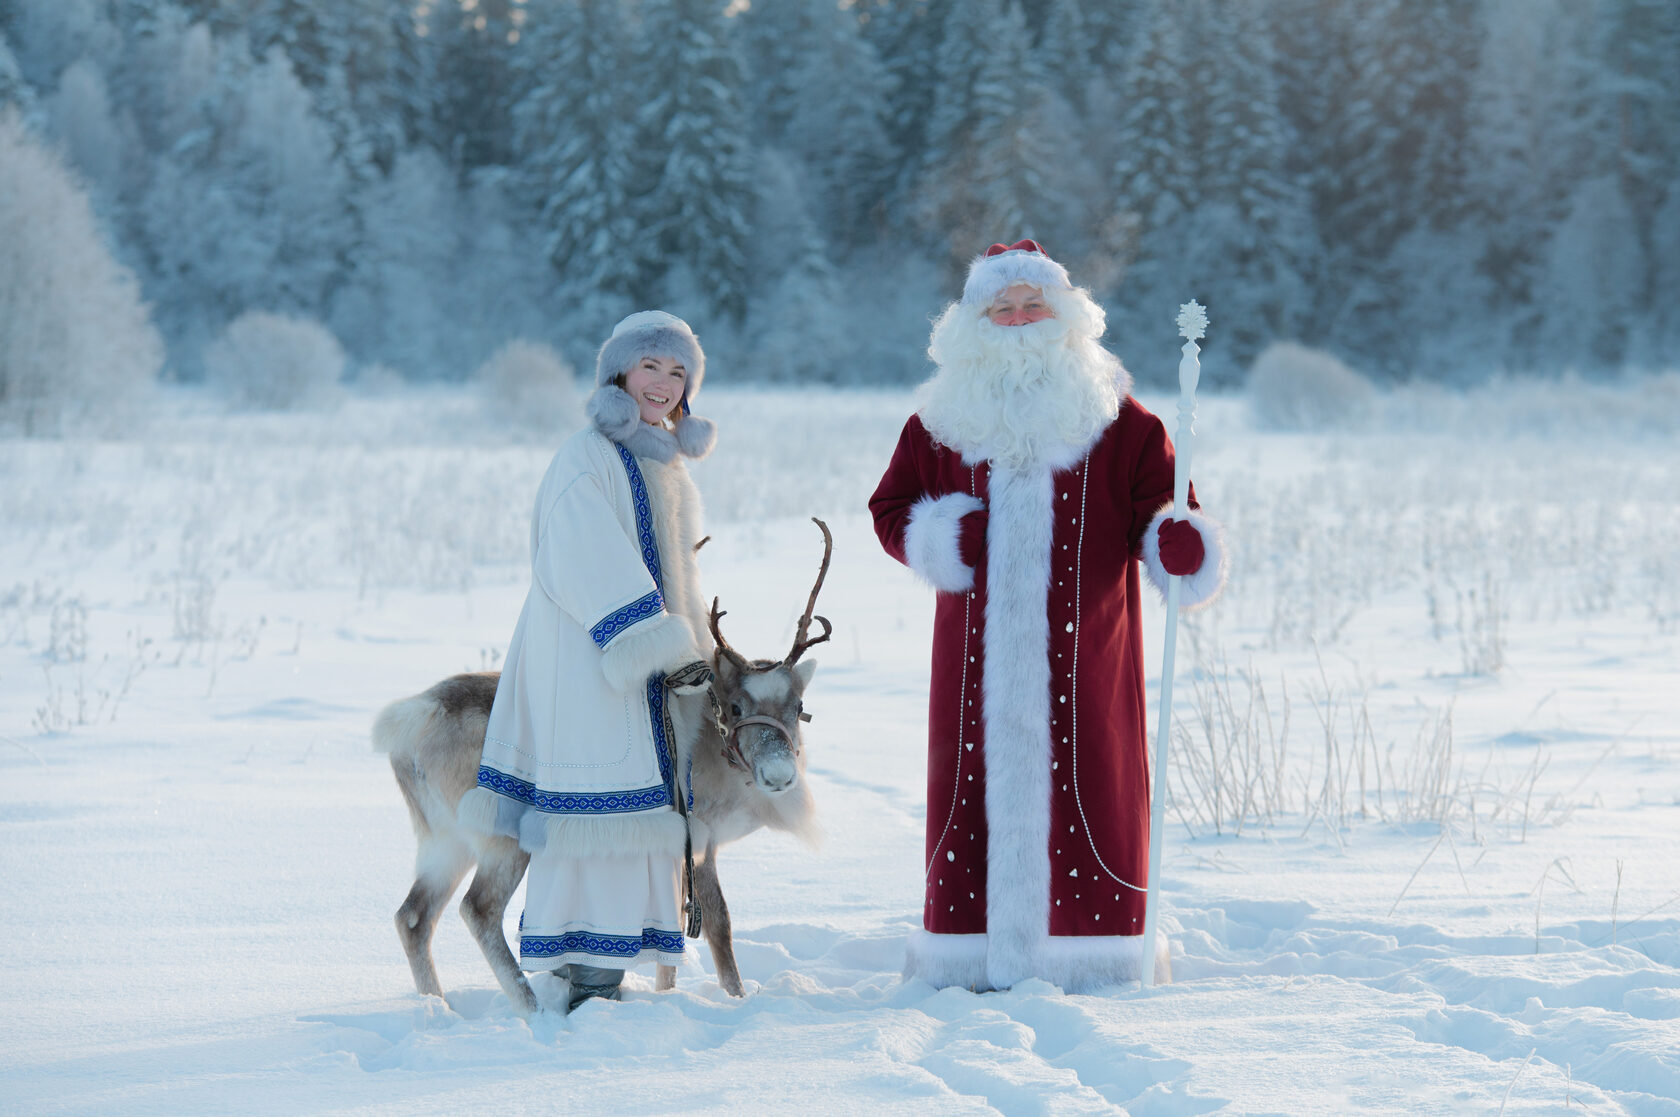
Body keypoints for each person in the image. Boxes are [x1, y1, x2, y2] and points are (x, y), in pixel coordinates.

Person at [869, 240, 1225, 993]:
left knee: (1093, 785)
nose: (1021, 318)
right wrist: (939, 537)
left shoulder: (1121, 422)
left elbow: (1164, 513)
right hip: (976, 666)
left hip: (1088, 658)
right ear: (976, 321)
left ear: (1066, 315)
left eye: (1034, 305)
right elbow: (891, 507)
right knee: (972, 787)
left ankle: (1090, 954)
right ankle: (967, 952)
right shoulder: (938, 422)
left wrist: (1177, 542)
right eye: (1005, 307)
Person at [458, 310, 716, 1010]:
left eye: (676, 371)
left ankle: (598, 968)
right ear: (619, 373)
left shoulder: (656, 460)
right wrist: (654, 638)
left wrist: (681, 643)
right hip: (589, 656)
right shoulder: (587, 455)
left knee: (629, 807)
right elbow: (583, 553)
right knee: (599, 807)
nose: (662, 384)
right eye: (650, 367)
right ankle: (587, 975)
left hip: (629, 665)